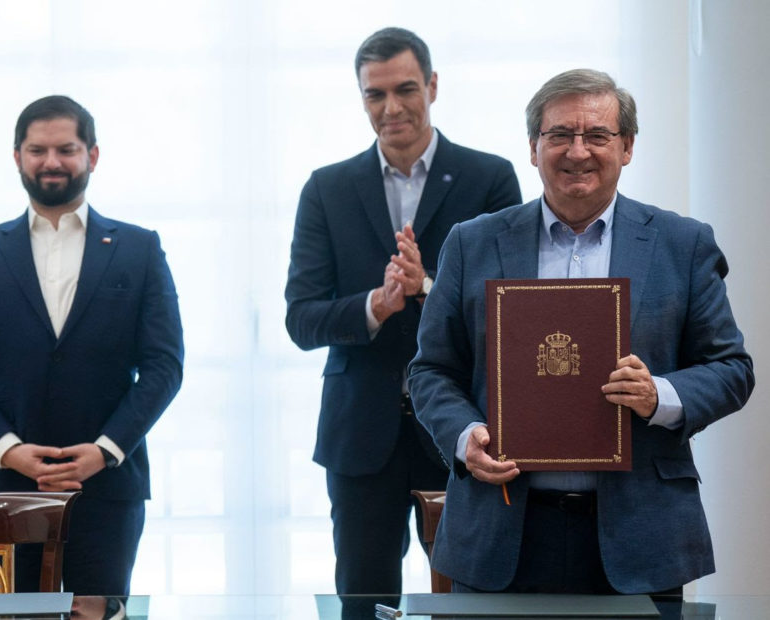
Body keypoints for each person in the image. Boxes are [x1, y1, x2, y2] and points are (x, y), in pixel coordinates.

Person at [410, 69, 755, 595]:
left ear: (627, 146)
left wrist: (659, 395)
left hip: (642, 534)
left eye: (597, 135)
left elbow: (731, 369)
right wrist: (464, 437)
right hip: (503, 529)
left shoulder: (682, 244)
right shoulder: (471, 243)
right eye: (559, 135)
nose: (578, 151)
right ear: (533, 147)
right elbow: (431, 370)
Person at [284, 27, 521, 594]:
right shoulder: (326, 189)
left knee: (472, 598)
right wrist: (378, 303)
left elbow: (513, 312)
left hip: (467, 430)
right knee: (363, 599)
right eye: (375, 94)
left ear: (433, 86)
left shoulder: (489, 178)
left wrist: (428, 286)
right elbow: (302, 318)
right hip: (360, 434)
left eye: (405, 89)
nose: (391, 108)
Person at [0, 95, 184, 595]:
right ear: (17, 157)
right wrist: (10, 451)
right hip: (6, 489)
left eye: (66, 149)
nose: (51, 162)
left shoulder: (139, 248)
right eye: (37, 150)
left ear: (92, 155)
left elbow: (164, 366)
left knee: (100, 612)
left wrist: (104, 451)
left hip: (109, 488)